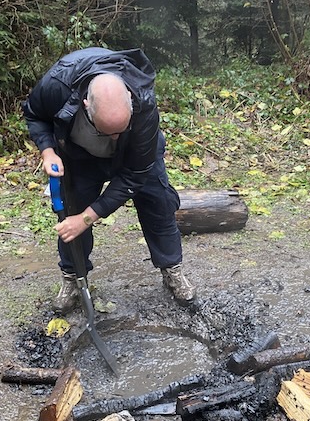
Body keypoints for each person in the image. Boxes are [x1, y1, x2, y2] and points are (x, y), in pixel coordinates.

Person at [22, 47, 195, 313]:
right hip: (80, 157)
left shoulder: (144, 102)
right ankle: (73, 277)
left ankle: (172, 269)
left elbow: (134, 176)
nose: (114, 137)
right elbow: (35, 114)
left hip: (135, 157)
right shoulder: (58, 86)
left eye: (120, 130)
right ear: (86, 105)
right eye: (106, 131)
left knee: (158, 205)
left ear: (130, 99)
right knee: (71, 217)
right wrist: (47, 151)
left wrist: (88, 218)